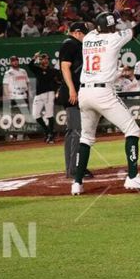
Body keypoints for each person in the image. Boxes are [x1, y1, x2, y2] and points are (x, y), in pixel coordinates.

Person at [71, 0, 140, 196]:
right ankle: (132, 177)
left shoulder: (88, 38)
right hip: (103, 92)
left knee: (86, 138)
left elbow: (101, 26)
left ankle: (77, 183)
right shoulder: (114, 38)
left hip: (84, 92)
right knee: (132, 130)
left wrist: (114, 12)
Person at [57, 22, 93, 179]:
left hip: (74, 91)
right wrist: (72, 89)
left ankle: (71, 168)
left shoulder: (72, 44)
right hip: (73, 93)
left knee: (73, 132)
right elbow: (65, 67)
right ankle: (74, 169)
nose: (85, 38)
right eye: (84, 34)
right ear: (78, 32)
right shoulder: (70, 43)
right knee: (77, 131)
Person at [27, 52, 60, 143]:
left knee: (49, 114)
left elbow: (60, 81)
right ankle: (48, 131)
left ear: (48, 61)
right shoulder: (37, 69)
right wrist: (35, 57)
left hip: (49, 93)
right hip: (39, 94)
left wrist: (58, 91)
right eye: (42, 59)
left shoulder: (53, 71)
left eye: (46, 59)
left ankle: (51, 136)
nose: (44, 60)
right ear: (40, 60)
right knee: (35, 115)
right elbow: (29, 65)